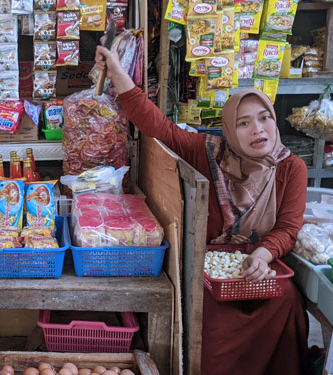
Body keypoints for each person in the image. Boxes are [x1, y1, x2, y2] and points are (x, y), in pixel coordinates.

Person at [95, 45, 309, 374]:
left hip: (260, 267)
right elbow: (158, 127)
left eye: (264, 118)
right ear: (229, 130)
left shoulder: (290, 168)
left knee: (288, 301)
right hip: (211, 275)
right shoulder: (206, 153)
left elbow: (288, 228)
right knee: (207, 320)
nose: (258, 130)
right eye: (244, 123)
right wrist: (118, 74)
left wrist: (264, 256)